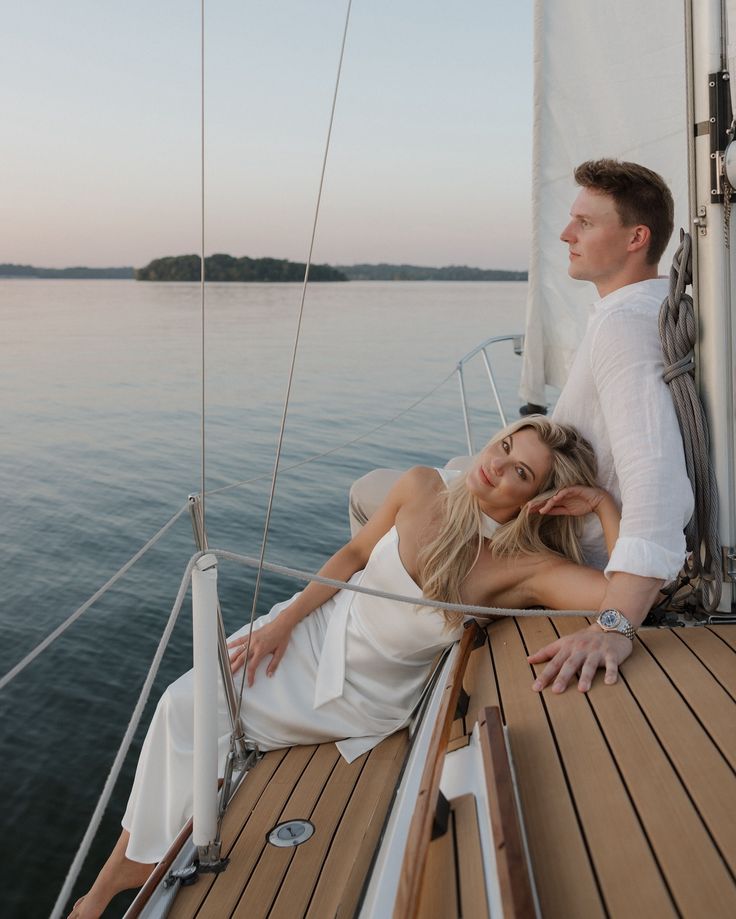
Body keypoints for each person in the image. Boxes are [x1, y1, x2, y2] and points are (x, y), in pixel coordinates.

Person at [69, 417, 619, 919]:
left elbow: (627, 591)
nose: (496, 465)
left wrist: (599, 505)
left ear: (540, 500)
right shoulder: (422, 485)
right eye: (504, 446)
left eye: (519, 471)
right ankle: (125, 871)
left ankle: (113, 883)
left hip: (358, 688)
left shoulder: (522, 567)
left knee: (192, 711)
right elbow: (355, 556)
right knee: (181, 704)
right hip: (318, 621)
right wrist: (285, 622)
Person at [350, 159, 694, 695]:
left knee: (368, 492)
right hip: (549, 485)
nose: (566, 233)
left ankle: (381, 642)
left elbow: (657, 483)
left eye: (585, 222)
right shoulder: (646, 307)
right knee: (436, 479)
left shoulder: (623, 330)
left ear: (636, 238)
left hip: (551, 524)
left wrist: (617, 624)